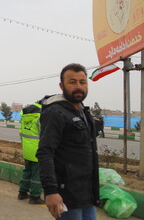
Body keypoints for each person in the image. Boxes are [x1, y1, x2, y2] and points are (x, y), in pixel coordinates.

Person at [37, 63, 99, 220]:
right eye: (72, 82)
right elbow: (45, 152)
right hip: (67, 195)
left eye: (82, 82)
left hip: (86, 193)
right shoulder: (55, 112)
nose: (78, 86)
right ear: (61, 85)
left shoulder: (83, 112)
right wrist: (51, 191)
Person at [17, 101, 45, 204]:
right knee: (37, 174)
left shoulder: (24, 117)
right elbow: (45, 134)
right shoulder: (40, 117)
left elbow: (21, 133)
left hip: (27, 149)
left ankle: (22, 192)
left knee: (27, 171)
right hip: (38, 150)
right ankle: (35, 197)